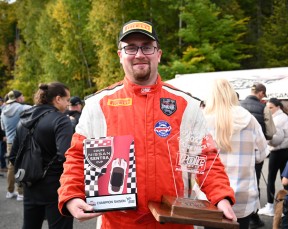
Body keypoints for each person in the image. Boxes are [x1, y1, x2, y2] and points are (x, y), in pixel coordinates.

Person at [58, 20, 236, 229]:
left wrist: (221, 196)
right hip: (118, 223)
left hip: (174, 222)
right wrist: (71, 194)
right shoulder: (98, 105)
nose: (139, 54)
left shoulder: (186, 104)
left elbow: (204, 157)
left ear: (158, 54)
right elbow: (77, 155)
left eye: (147, 47)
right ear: (120, 55)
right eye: (131, 48)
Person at [203, 79, 269, 229]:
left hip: (210, 194)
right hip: (243, 196)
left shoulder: (203, 120)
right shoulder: (249, 120)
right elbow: (261, 154)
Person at [9, 82, 74, 229]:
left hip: (30, 185)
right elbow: (66, 155)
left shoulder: (24, 120)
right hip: (55, 186)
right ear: (58, 99)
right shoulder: (61, 119)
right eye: (67, 99)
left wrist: (30, 174)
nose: (68, 104)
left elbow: (13, 156)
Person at [240, 82, 276, 228]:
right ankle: (253, 217)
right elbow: (270, 132)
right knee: (254, 181)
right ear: (261, 93)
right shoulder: (264, 108)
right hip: (254, 151)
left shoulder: (239, 105)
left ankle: (237, 213)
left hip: (238, 150)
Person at [258, 98, 288, 217]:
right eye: (267, 107)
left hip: (278, 152)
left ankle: (270, 206)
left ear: (278, 107)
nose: (268, 110)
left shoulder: (278, 119)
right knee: (285, 179)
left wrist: (267, 140)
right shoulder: (283, 117)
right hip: (286, 152)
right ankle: (287, 206)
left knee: (272, 179)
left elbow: (276, 140)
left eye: (271, 107)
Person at [1, 90, 31, 201]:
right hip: (21, 141)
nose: (23, 97)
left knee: (11, 166)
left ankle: (9, 191)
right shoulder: (23, 108)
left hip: (9, 142)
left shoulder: (3, 111)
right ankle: (21, 193)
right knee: (22, 165)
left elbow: (3, 128)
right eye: (22, 95)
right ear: (18, 98)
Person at [0, 97, 7, 173]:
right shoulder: (1, 110)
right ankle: (3, 166)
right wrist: (3, 135)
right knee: (1, 150)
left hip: (2, 133)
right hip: (1, 134)